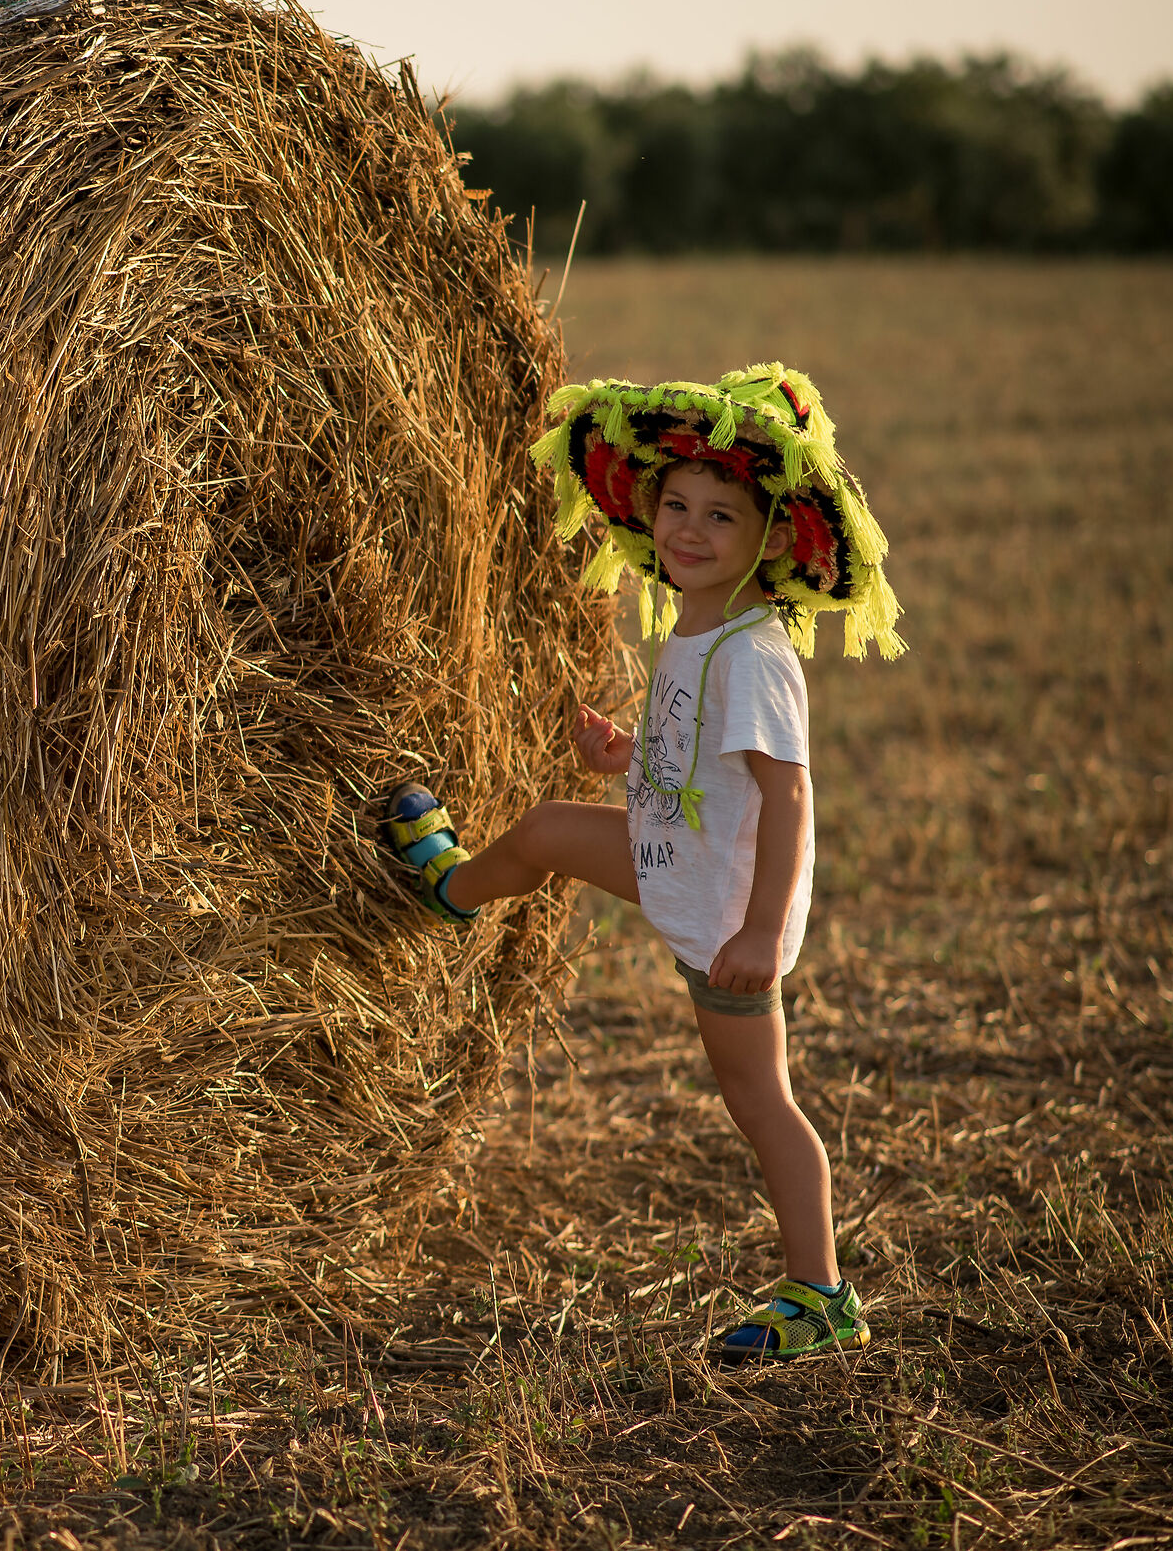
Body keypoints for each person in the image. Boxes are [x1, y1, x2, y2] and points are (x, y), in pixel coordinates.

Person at [383, 364, 903, 1361]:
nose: (690, 531)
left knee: (763, 1106)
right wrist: (629, 760)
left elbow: (788, 798)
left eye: (720, 517)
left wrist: (759, 931)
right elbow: (701, 763)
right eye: (676, 506)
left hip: (725, 919)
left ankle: (821, 1292)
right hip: (678, 859)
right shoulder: (700, 628)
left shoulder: (753, 654)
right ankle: (451, 889)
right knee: (541, 832)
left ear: (769, 542)